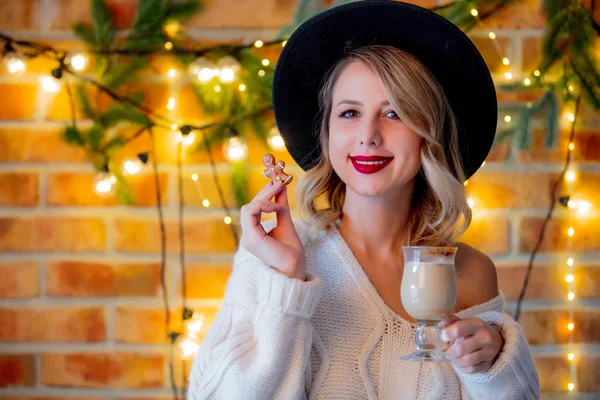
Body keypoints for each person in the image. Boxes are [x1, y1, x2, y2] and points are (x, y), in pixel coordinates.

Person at [187, 1, 540, 399]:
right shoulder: (272, 258)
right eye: (350, 113)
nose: (368, 135)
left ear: (429, 133)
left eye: (394, 114)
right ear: (327, 133)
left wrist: (492, 364)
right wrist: (286, 283)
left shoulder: (470, 273)